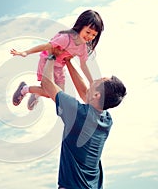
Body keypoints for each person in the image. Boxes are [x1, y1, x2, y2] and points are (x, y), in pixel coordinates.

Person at [35, 54, 126, 188]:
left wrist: (51, 56)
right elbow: (86, 93)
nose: (93, 80)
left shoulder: (78, 114)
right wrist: (69, 62)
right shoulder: (106, 120)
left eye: (98, 80)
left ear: (97, 95)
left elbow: (48, 84)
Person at [11, 9, 104, 110]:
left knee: (59, 97)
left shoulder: (83, 48)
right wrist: (26, 52)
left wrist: (91, 83)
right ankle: (24, 90)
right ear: (80, 26)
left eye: (94, 35)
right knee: (48, 92)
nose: (90, 36)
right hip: (47, 61)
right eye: (88, 32)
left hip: (59, 67)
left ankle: (37, 93)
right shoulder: (66, 38)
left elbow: (83, 65)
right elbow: (46, 46)